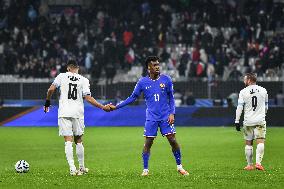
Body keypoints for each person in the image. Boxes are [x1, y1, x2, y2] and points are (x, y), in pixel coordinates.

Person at [106, 56, 189, 176]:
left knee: (173, 140)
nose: (157, 67)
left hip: (166, 116)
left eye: (158, 65)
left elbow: (171, 98)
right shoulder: (142, 82)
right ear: (148, 67)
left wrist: (172, 113)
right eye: (154, 65)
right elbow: (132, 97)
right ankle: (145, 170)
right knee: (148, 142)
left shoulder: (166, 80)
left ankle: (180, 167)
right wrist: (116, 106)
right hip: (151, 117)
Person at [43, 60, 110, 176]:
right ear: (77, 69)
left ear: (68, 69)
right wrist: (102, 107)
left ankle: (72, 169)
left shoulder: (61, 76)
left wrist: (47, 102)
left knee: (68, 140)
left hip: (64, 112)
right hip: (78, 113)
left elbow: (51, 90)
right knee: (78, 140)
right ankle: (82, 167)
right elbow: (88, 98)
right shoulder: (84, 80)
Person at [235, 73, 268, 171]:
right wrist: (262, 115)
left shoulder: (243, 92)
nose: (244, 81)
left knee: (248, 143)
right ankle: (258, 163)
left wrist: (237, 120)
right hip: (260, 120)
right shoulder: (263, 90)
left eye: (245, 79)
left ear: (249, 80)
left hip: (248, 121)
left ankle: (249, 165)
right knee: (260, 141)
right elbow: (266, 107)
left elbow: (240, 107)